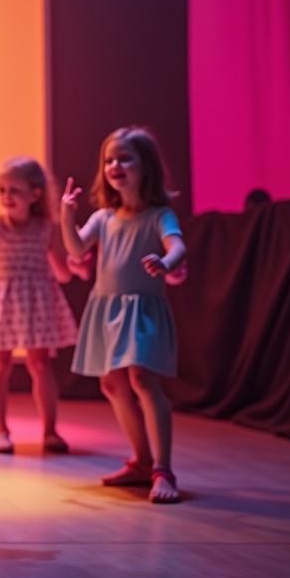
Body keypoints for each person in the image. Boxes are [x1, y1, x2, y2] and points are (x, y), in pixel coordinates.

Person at [61, 126, 187, 504]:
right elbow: (76, 247)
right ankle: (142, 461)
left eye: (124, 158)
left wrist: (166, 263)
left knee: (142, 379)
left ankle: (163, 468)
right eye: (109, 159)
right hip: (107, 308)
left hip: (141, 309)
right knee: (112, 384)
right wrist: (67, 217)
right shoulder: (103, 217)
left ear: (145, 166)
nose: (115, 165)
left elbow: (178, 246)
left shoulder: (158, 214)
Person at [0, 156, 86, 454]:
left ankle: (50, 430)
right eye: (2, 190)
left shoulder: (46, 227)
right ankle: (0, 430)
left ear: (35, 194)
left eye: (14, 191)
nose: (6, 197)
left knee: (40, 363)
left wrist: (76, 267)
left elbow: (61, 272)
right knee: (0, 365)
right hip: (1, 302)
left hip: (36, 301)